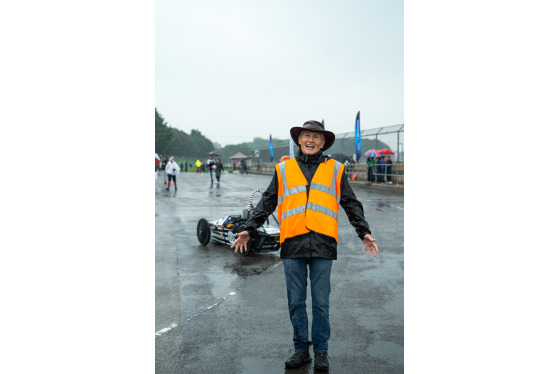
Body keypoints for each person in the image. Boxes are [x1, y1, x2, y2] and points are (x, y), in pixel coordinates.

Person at [231, 120, 379, 372]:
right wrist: (248, 227)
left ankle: (321, 352)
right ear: (299, 140)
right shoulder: (284, 169)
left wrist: (363, 232)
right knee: (296, 301)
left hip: (323, 243)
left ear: (323, 143)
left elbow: (351, 203)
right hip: (293, 243)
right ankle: (301, 350)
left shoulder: (336, 169)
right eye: (306, 136)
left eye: (316, 137)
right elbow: (267, 201)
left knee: (321, 302)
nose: (311, 140)